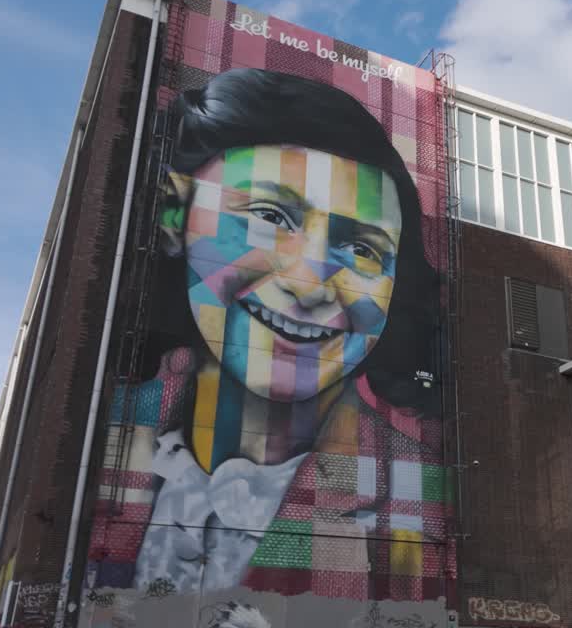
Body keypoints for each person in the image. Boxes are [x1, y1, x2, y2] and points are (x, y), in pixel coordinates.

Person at [86, 68, 446, 604]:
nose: (310, 282)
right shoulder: (109, 423)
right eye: (270, 215)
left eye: (364, 249)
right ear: (173, 215)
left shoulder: (414, 503)